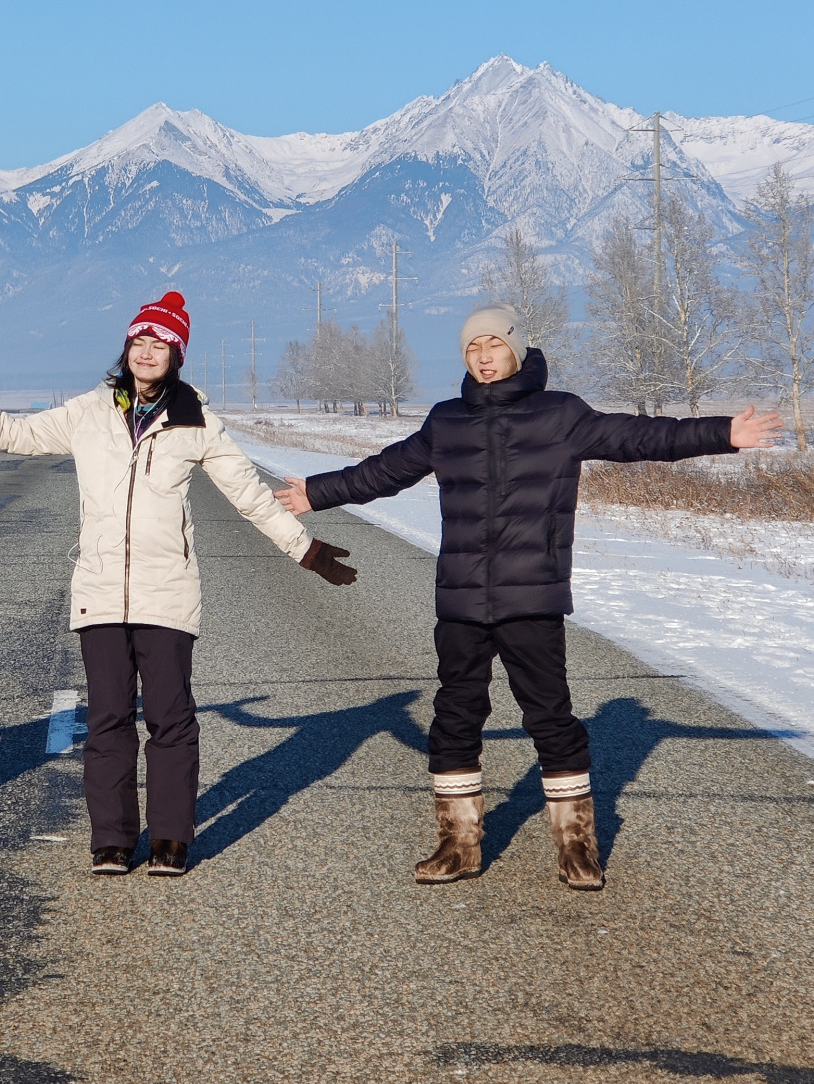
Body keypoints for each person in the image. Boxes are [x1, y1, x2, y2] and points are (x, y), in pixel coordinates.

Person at [274, 304, 781, 891]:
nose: (484, 357)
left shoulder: (560, 415)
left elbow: (641, 435)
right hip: (461, 600)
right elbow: (386, 471)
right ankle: (457, 844)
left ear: (516, 350)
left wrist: (722, 433)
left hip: (531, 597)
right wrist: (318, 492)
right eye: (472, 349)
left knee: (550, 717)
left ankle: (577, 847)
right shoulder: (447, 421)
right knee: (455, 716)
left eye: (493, 345)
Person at [0, 290, 357, 876]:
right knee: (108, 717)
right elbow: (6, 433)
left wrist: (307, 550)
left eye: (161, 345)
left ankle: (171, 838)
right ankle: (112, 840)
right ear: (127, 348)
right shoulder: (88, 412)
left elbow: (249, 497)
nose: (148, 353)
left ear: (176, 356)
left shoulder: (196, 421)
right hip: (99, 592)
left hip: (167, 591)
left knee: (170, 716)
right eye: (140, 342)